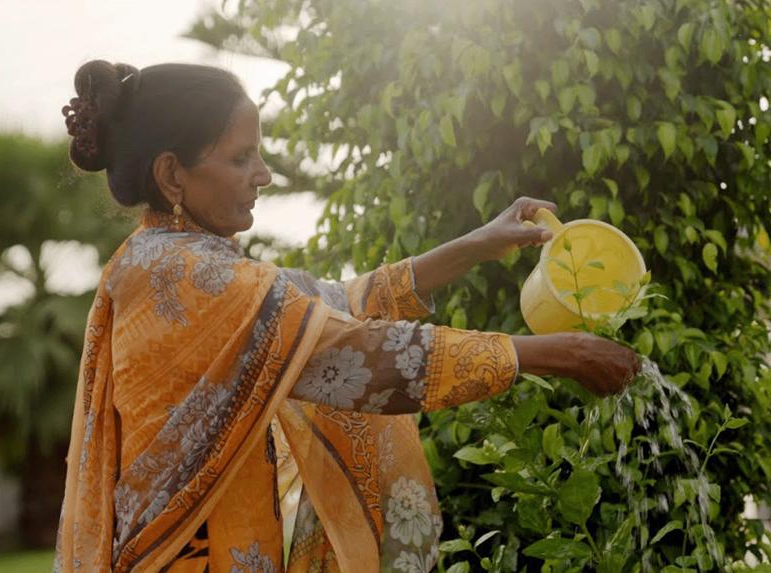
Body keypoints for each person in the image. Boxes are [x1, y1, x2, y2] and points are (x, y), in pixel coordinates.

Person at [53, 60, 641, 573]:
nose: (264, 174)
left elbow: (333, 303)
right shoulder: (189, 273)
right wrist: (559, 353)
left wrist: (478, 244)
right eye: (241, 157)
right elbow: (358, 355)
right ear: (172, 174)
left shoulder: (163, 258)